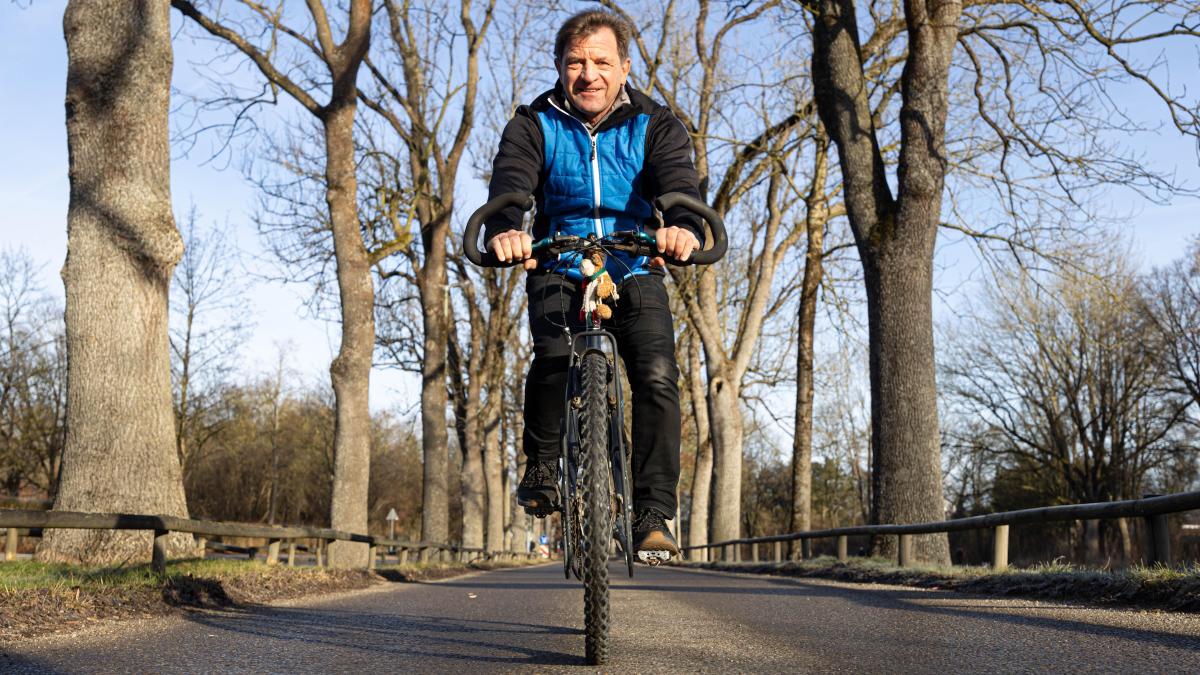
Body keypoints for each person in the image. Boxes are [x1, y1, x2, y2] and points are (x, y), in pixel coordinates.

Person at [483, 9, 704, 560]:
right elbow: (512, 182)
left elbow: (680, 184)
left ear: (624, 67)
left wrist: (683, 228)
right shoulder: (533, 124)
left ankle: (653, 514)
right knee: (555, 356)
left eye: (602, 62)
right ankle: (542, 464)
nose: (589, 74)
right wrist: (507, 230)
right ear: (560, 67)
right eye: (576, 62)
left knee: (655, 376)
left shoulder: (656, 123)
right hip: (559, 259)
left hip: (634, 262)